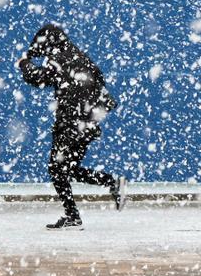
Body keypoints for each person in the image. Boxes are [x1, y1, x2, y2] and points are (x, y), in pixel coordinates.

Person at [18, 23, 127, 230]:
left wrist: (24, 63)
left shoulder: (58, 59)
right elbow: (102, 90)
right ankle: (111, 183)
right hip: (86, 124)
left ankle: (75, 215)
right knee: (67, 168)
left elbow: (38, 78)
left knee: (57, 168)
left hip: (70, 123)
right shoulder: (81, 57)